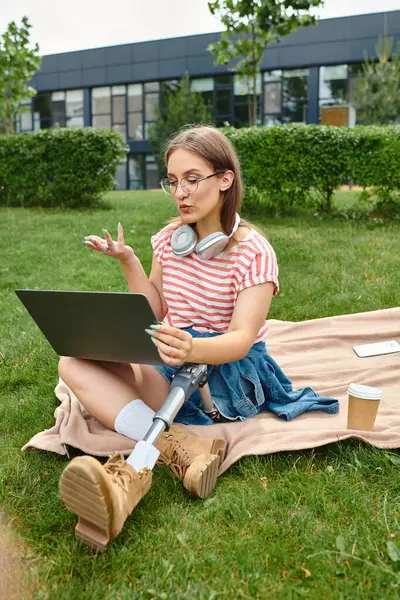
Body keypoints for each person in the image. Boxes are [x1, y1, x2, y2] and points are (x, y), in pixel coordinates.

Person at [58, 125, 338, 551]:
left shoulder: (254, 251)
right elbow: (153, 310)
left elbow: (242, 338)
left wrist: (194, 348)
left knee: (122, 381)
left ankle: (150, 452)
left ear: (225, 179)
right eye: (172, 181)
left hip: (224, 368)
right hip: (173, 354)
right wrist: (130, 262)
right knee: (72, 363)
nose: (180, 193)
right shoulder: (171, 242)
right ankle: (177, 446)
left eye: (192, 179)